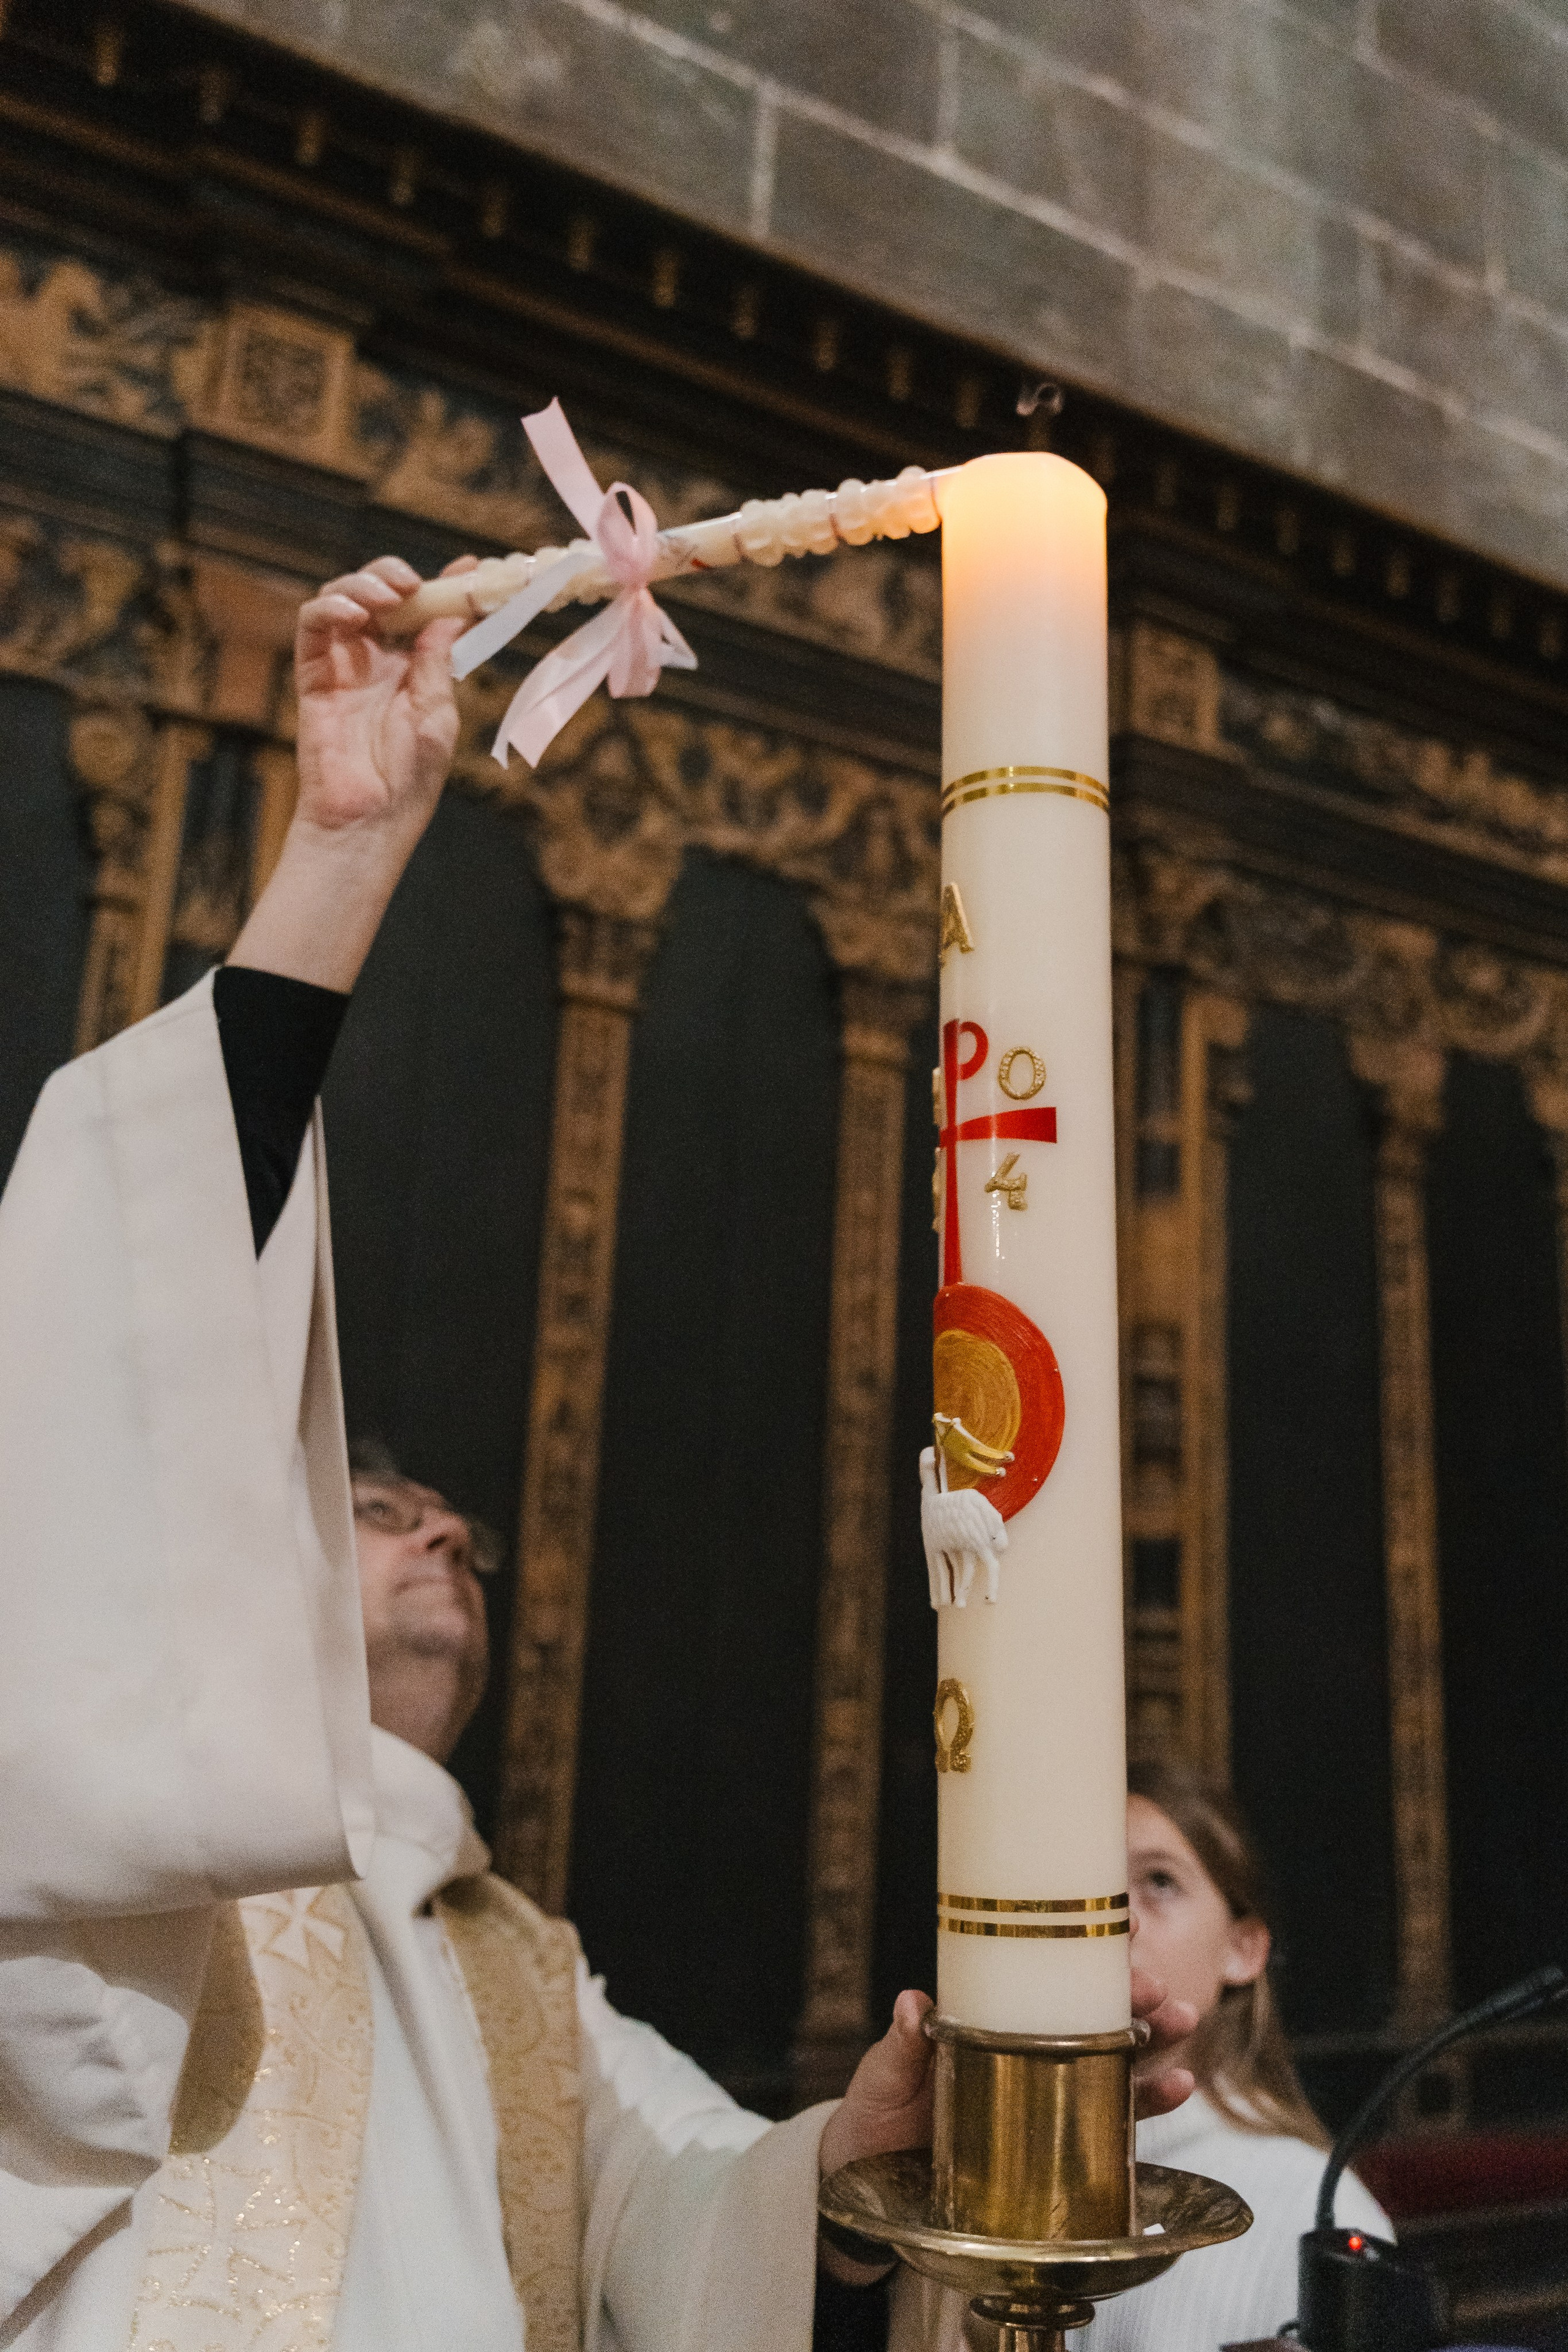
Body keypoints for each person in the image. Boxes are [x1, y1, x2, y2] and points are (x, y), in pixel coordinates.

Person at [0, 555, 1195, 2352]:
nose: (449, 1533)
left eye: (452, 1520)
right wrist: (340, 856)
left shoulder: (520, 1963)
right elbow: (117, 1416)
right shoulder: (139, 1872)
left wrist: (864, 2150)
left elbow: (689, 2200)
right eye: (381, 1508)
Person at [1093, 1759, 1392, 2352]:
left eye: (1158, 1882)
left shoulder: (1311, 2212)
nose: (1112, 1914)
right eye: (1090, 1877)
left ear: (1242, 1948)